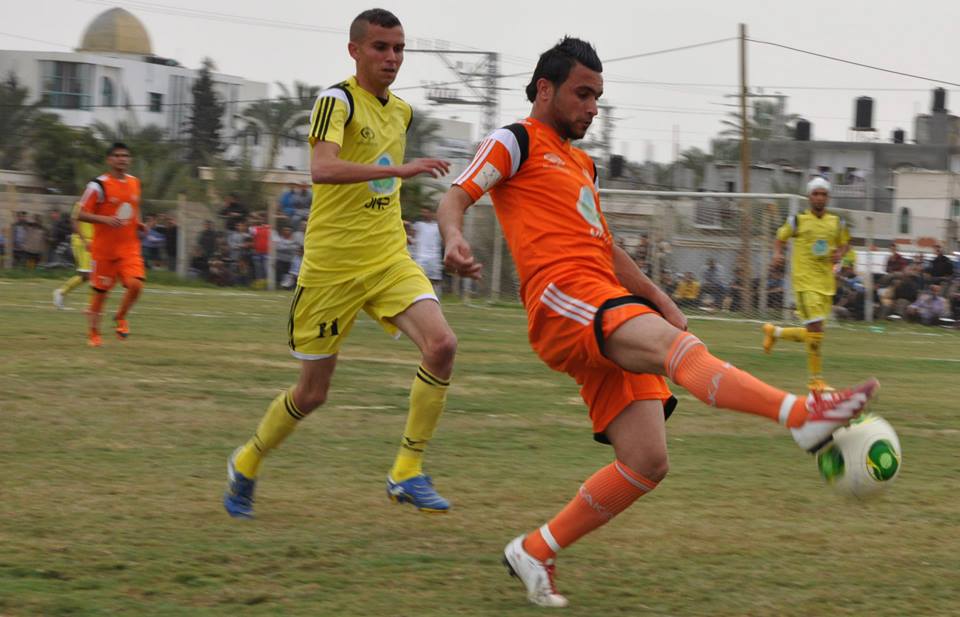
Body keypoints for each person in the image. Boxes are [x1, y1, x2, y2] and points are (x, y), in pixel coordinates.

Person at [436, 36, 879, 608]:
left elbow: (608, 248)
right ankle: (801, 416)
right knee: (677, 352)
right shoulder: (515, 140)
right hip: (562, 300)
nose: (592, 106)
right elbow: (457, 196)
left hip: (603, 294)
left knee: (646, 461)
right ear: (545, 89)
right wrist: (451, 237)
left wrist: (659, 297)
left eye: (598, 95)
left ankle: (536, 549)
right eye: (582, 93)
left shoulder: (583, 162)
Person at [223, 8, 457, 519]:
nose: (392, 57)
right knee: (312, 393)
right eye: (381, 47)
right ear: (355, 50)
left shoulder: (401, 111)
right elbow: (322, 168)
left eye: (398, 48)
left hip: (388, 258)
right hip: (331, 270)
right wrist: (399, 168)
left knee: (442, 346)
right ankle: (246, 461)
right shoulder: (336, 99)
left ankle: (406, 470)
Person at [762, 177, 850, 392]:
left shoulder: (836, 222)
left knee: (815, 333)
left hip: (826, 283)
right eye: (815, 193)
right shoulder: (798, 220)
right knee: (816, 330)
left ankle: (775, 332)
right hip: (804, 282)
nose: (819, 197)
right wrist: (777, 254)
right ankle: (815, 381)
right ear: (809, 197)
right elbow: (780, 237)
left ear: (828, 197)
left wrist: (840, 253)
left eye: (823, 194)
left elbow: (845, 243)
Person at [75, 142, 146, 347]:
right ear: (109, 159)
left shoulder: (134, 182)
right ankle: (94, 333)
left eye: (125, 155)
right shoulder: (98, 185)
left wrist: (138, 222)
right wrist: (105, 220)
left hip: (129, 248)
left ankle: (120, 317)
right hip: (104, 250)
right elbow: (79, 213)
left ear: (129, 160)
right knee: (100, 293)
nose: (122, 159)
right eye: (117, 155)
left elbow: (133, 207)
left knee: (136, 284)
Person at [53, 200, 96, 309]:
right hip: (82, 242)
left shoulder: (98, 206)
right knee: (89, 274)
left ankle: (61, 292)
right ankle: (93, 306)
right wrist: (84, 241)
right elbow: (74, 222)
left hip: (92, 242)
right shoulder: (81, 204)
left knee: (88, 275)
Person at [411, 206, 443, 297]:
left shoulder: (437, 226)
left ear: (431, 213)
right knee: (418, 279)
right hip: (421, 258)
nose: (424, 214)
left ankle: (436, 300)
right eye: (422, 212)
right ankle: (417, 298)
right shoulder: (418, 225)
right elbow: (411, 235)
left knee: (435, 281)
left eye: (426, 212)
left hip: (434, 258)